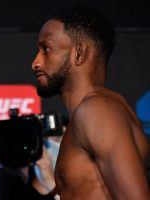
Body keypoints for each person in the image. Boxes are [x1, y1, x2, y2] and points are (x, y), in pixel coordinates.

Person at [32, 5, 150, 199]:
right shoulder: (92, 111)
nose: (35, 62)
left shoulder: (96, 110)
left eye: (46, 49)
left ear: (79, 53)